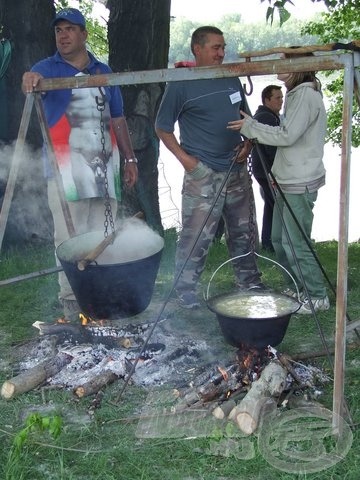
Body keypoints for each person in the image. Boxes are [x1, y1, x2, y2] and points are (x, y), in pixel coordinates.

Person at [22, 8, 138, 317]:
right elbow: (30, 80)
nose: (63, 35)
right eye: (59, 30)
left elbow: (117, 118)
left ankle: (104, 295)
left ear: (84, 34)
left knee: (104, 232)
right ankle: (72, 301)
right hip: (65, 169)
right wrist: (30, 78)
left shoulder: (103, 69)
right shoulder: (46, 68)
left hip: (105, 167)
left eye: (70, 29)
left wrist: (130, 157)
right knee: (69, 236)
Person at [155, 26, 263, 309]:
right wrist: (189, 163)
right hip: (203, 174)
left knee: (244, 231)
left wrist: (248, 145)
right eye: (215, 47)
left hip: (236, 170)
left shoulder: (230, 78)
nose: (221, 53)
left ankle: (249, 282)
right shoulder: (181, 82)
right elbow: (162, 128)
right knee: (196, 235)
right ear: (197, 49)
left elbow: (247, 120)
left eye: (223, 47)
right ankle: (185, 290)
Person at [227, 51, 329, 315]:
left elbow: (287, 136)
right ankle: (298, 288)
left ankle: (317, 296)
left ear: (299, 67)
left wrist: (250, 127)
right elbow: (289, 138)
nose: (279, 65)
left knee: (297, 243)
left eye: (285, 61)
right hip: (287, 178)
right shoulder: (296, 95)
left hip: (300, 180)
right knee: (278, 239)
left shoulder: (306, 95)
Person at [251, 85, 283, 252]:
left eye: (282, 97)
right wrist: (277, 172)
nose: (281, 101)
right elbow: (272, 149)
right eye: (277, 98)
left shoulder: (265, 115)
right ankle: (275, 242)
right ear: (267, 100)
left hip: (262, 169)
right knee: (277, 206)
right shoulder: (267, 117)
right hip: (267, 170)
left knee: (271, 205)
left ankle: (268, 241)